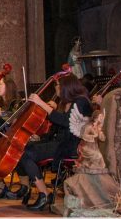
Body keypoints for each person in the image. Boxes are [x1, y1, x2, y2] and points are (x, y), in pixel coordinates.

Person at [14, 73, 92, 210]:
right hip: (61, 142)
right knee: (21, 147)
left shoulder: (81, 101)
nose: (56, 88)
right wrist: (40, 138)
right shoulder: (66, 103)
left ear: (66, 86)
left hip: (71, 146)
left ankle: (44, 194)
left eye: (57, 85)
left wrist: (41, 103)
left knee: (26, 153)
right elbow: (56, 128)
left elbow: (65, 122)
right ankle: (30, 189)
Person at [63, 109, 120, 215]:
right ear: (96, 117)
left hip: (94, 147)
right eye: (100, 117)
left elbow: (103, 139)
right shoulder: (88, 126)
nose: (101, 119)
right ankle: (88, 167)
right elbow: (83, 135)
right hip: (86, 147)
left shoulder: (98, 127)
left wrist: (100, 132)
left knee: (101, 162)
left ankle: (94, 173)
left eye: (102, 118)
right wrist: (94, 135)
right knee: (97, 156)